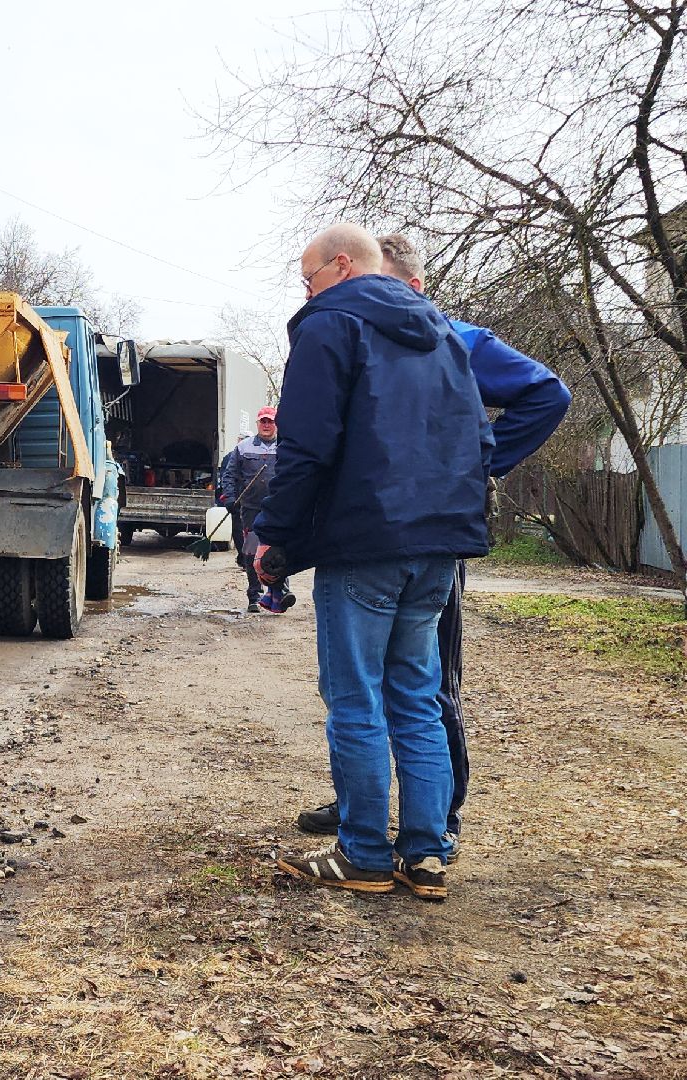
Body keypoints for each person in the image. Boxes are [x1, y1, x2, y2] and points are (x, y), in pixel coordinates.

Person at [293, 234, 571, 855]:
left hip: (390, 536)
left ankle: (418, 827)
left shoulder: (451, 336)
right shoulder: (397, 336)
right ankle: (405, 833)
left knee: (397, 692)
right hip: (427, 535)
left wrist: (474, 470)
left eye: (385, 286)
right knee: (402, 690)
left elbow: (547, 393)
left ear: (411, 287)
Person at [255, 224, 492, 902]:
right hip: (438, 547)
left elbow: (306, 448)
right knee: (417, 699)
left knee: (355, 699)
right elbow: (479, 439)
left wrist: (275, 534)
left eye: (308, 278)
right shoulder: (444, 333)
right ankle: (426, 855)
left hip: (365, 543)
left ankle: (362, 853)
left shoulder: (330, 326)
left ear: (341, 265)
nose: (306, 292)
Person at [219, 406, 293, 613]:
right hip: (251, 509)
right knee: (252, 552)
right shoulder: (243, 448)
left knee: (279, 550)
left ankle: (279, 592)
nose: (266, 425)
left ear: (277, 424)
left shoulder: (286, 447)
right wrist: (230, 498)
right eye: (263, 421)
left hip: (279, 509)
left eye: (270, 421)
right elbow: (229, 475)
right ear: (258, 424)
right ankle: (254, 595)